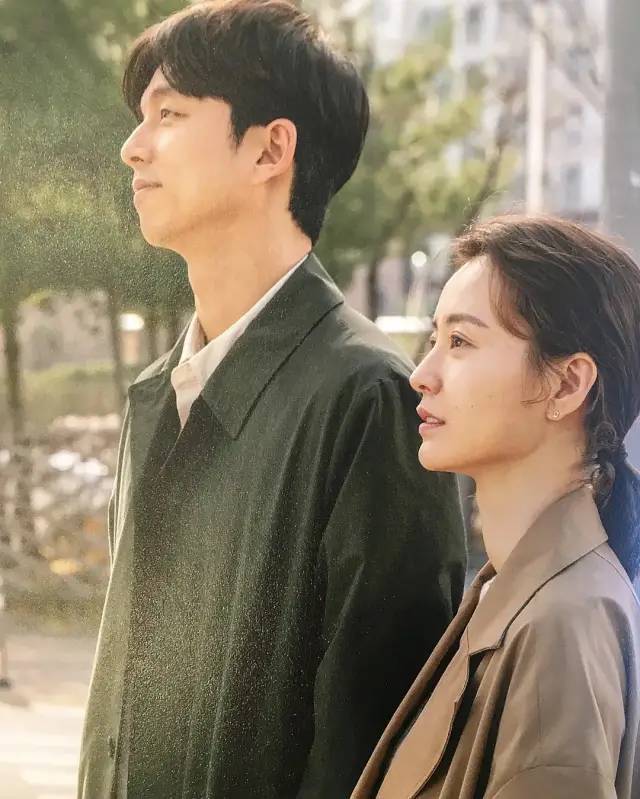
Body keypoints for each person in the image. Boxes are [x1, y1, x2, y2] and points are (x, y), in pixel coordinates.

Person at [77, 2, 466, 798]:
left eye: (169, 115)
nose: (133, 146)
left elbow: (373, 743)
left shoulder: (368, 398)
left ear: (270, 148)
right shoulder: (156, 397)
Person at [352, 215, 640, 799]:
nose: (422, 375)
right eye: (434, 340)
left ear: (567, 384)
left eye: (460, 342)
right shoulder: (512, 591)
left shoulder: (562, 626)